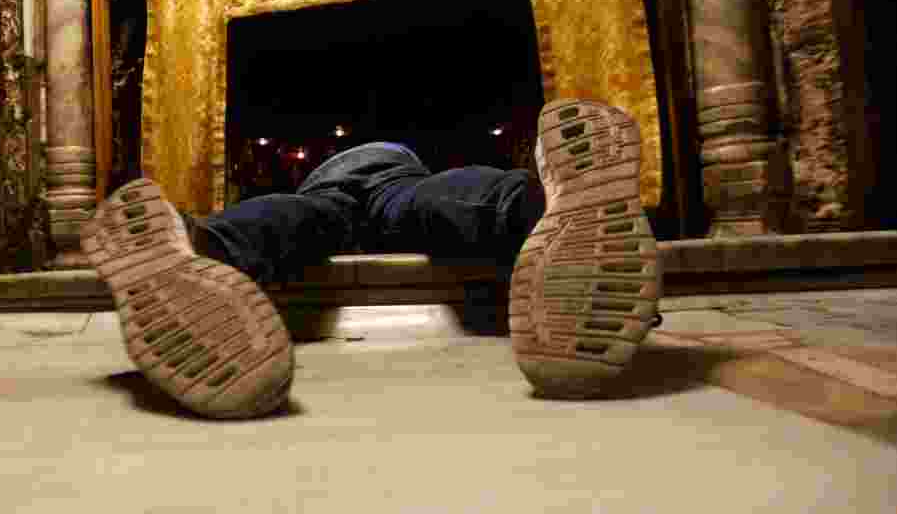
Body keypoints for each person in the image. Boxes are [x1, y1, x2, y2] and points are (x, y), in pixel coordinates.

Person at [80, 99, 663, 419]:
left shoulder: (324, 166)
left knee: (300, 219)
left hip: (326, 186)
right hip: (395, 174)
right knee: (430, 202)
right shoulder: (404, 153)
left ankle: (195, 243)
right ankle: (534, 204)